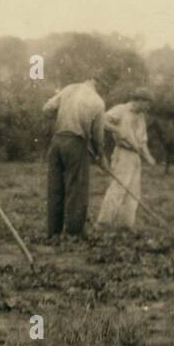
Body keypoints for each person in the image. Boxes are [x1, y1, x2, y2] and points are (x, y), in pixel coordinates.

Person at [42, 75, 107, 237]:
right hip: (76, 144)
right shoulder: (97, 101)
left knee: (55, 188)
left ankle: (53, 232)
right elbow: (98, 137)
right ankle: (73, 234)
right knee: (76, 190)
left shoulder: (68, 88)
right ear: (97, 83)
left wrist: (61, 117)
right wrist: (100, 156)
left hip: (57, 142)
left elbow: (47, 109)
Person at [96, 88, 157, 231]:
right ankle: (103, 223)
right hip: (123, 153)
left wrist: (149, 157)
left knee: (134, 191)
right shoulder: (121, 110)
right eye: (147, 103)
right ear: (140, 101)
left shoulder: (141, 116)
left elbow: (142, 142)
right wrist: (117, 130)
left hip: (135, 156)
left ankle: (125, 225)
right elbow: (102, 120)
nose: (149, 107)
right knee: (118, 188)